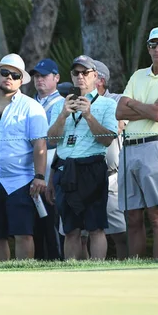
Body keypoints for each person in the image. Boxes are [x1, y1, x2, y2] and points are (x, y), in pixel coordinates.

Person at [116, 27, 158, 259]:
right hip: (128, 149)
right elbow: (119, 110)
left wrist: (134, 104)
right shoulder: (138, 75)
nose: (157, 49)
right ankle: (134, 268)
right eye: (153, 45)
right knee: (133, 216)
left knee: (157, 214)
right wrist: (148, 106)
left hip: (155, 148)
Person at [0, 53, 48, 261]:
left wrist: (40, 176)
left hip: (21, 181)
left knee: (24, 234)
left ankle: (25, 278)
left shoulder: (32, 107)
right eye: (4, 72)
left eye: (15, 75)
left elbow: (40, 144)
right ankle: (0, 279)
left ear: (21, 81)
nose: (9, 77)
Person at [47, 55, 117, 260]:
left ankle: (97, 272)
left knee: (95, 227)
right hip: (66, 169)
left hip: (92, 167)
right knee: (70, 229)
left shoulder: (106, 105)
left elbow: (106, 140)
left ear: (95, 76)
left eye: (85, 73)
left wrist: (88, 115)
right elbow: (52, 139)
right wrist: (63, 115)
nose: (80, 77)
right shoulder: (60, 105)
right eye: (76, 73)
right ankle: (70, 273)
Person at [92, 60, 127, 259]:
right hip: (84, 173)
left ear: (100, 80)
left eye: (89, 74)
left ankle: (128, 271)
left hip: (111, 176)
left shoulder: (116, 99)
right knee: (85, 232)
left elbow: (119, 126)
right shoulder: (77, 101)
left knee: (120, 232)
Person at [29, 58, 62, 260]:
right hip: (31, 171)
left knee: (53, 224)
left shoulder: (62, 104)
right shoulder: (29, 103)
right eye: (36, 76)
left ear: (56, 78)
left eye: (44, 75)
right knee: (35, 227)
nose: (39, 79)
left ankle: (57, 262)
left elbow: (56, 141)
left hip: (52, 169)